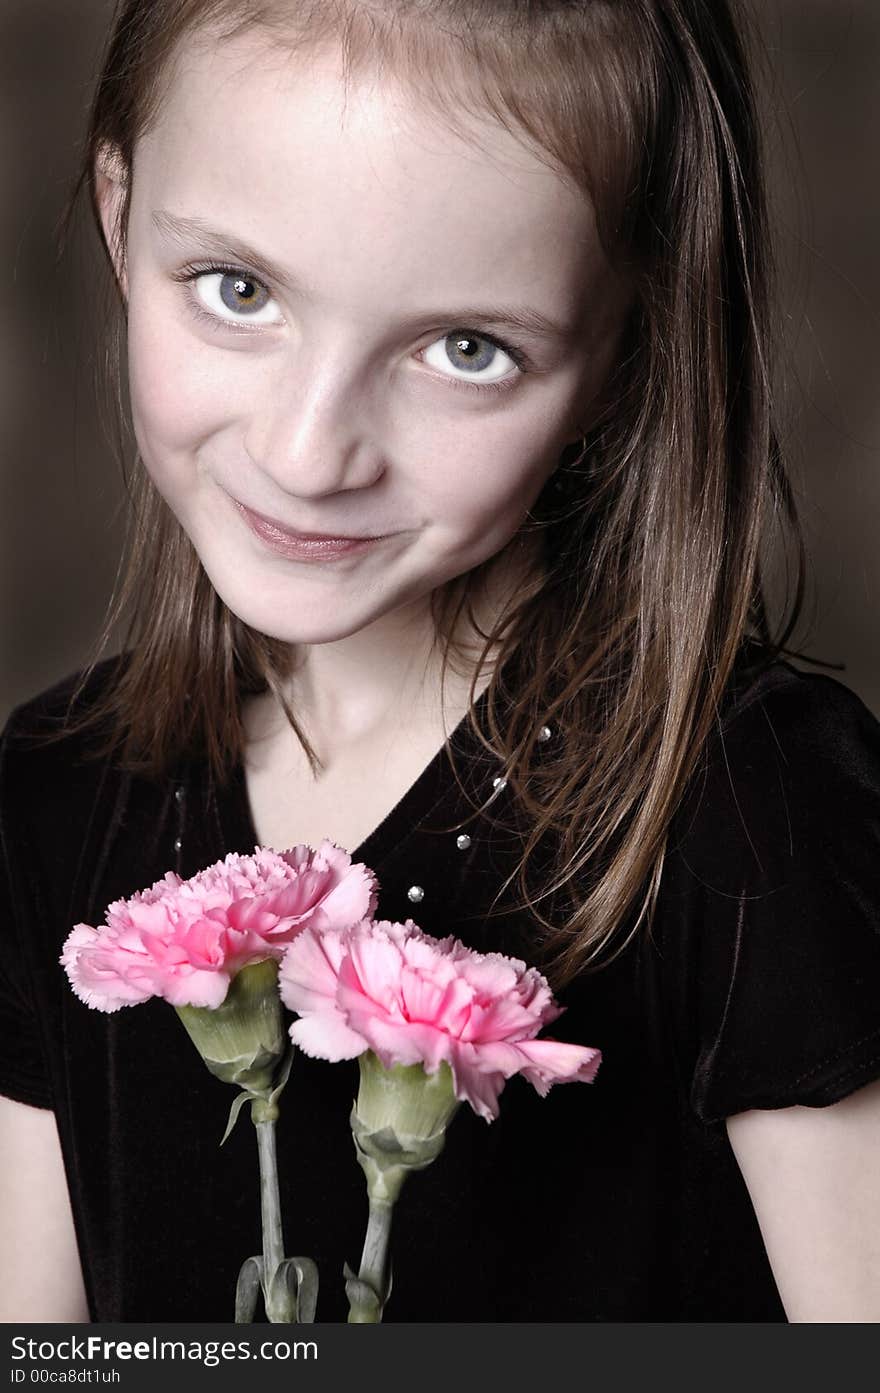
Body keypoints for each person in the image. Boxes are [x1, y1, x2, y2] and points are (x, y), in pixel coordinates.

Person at [1, 0, 879, 1325]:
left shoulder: (757, 812)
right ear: (124, 222)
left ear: (619, 358)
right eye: (238, 291)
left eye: (465, 349)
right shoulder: (51, 800)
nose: (308, 452)